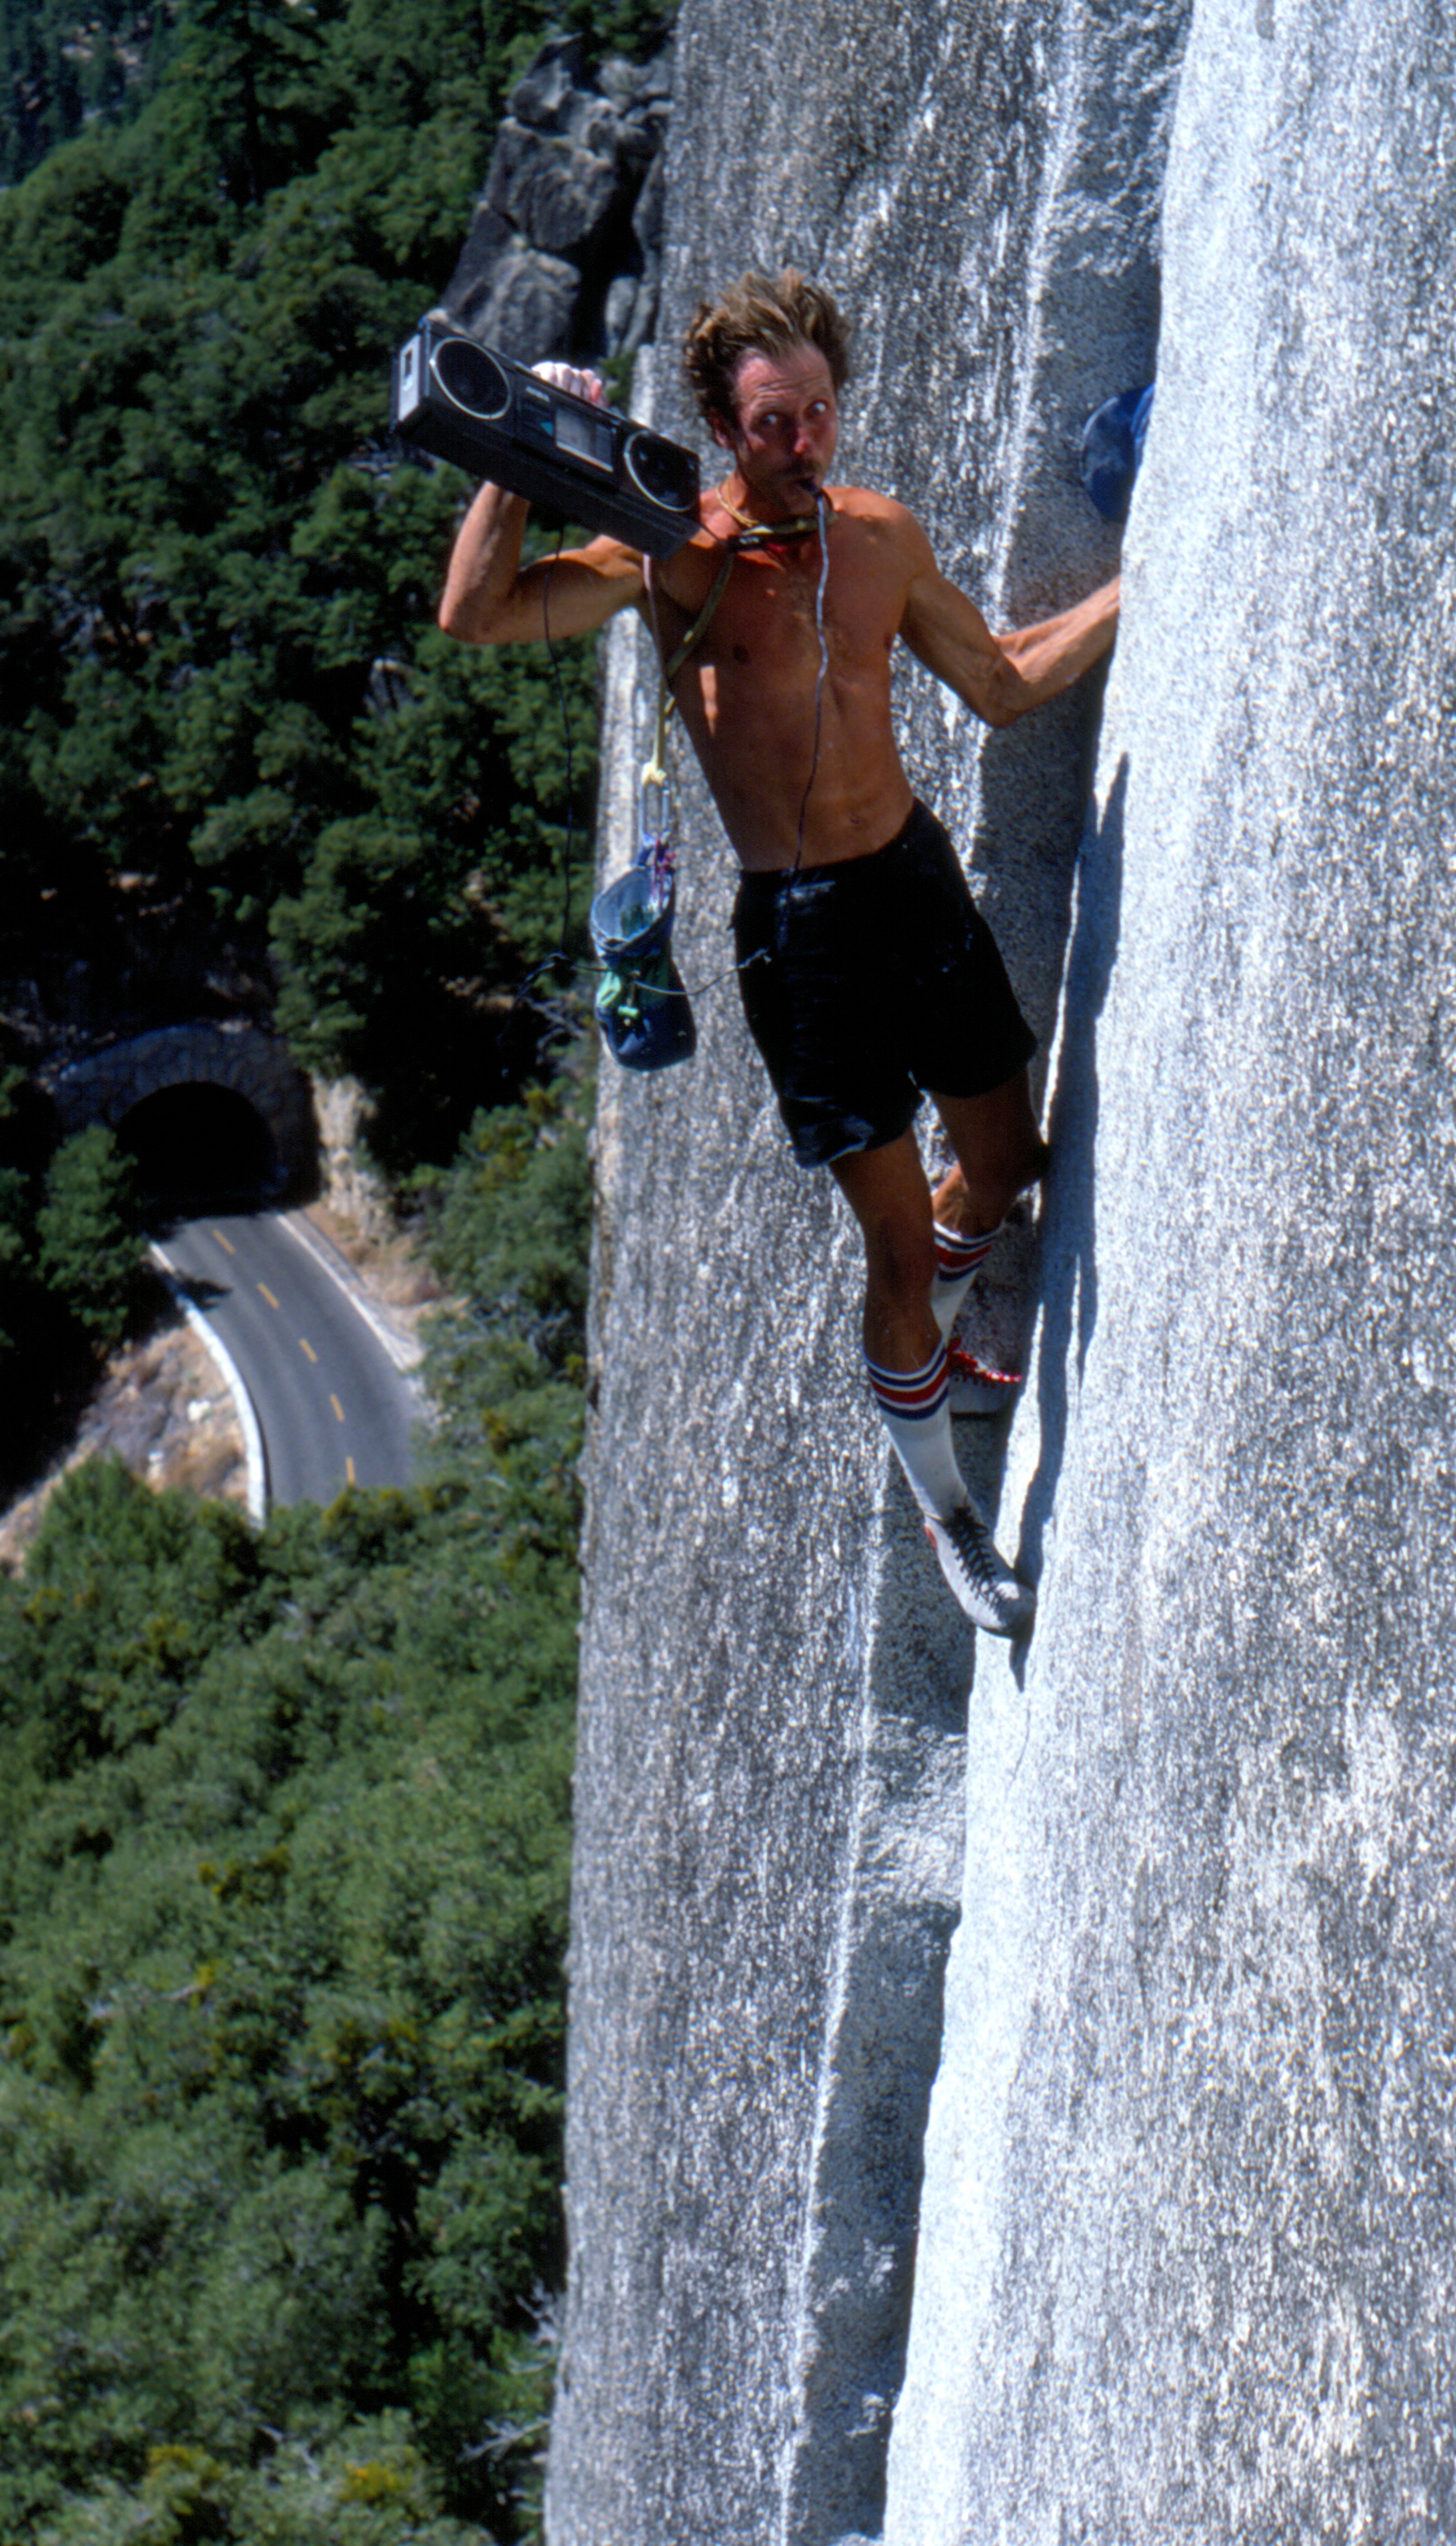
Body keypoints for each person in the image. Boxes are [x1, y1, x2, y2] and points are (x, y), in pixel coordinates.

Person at [438, 270, 1119, 1635]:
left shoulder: (875, 538)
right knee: (885, 1255)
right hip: (799, 935)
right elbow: (479, 612)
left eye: (817, 412)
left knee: (1003, 1161)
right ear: (717, 423)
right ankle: (949, 1516)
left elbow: (994, 681)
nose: (802, 441)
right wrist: (517, 458)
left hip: (912, 878)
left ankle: (953, 1291)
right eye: (769, 423)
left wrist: (1143, 579)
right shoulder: (665, 558)